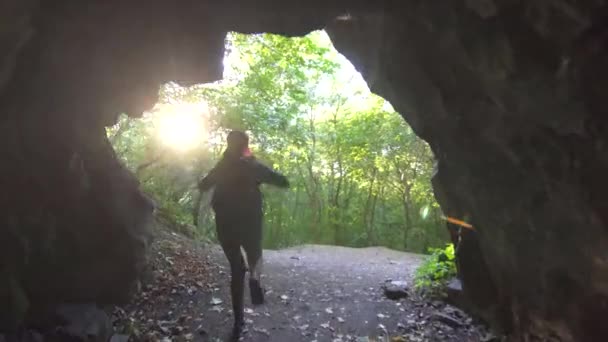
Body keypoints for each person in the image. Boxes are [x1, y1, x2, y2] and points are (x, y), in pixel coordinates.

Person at [197, 130, 289, 337]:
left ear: (228, 144)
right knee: (255, 257)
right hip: (250, 222)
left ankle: (238, 322)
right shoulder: (252, 165)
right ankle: (255, 279)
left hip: (226, 223)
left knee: (236, 268)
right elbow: (281, 181)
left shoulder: (221, 167)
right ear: (245, 145)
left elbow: (203, 185)